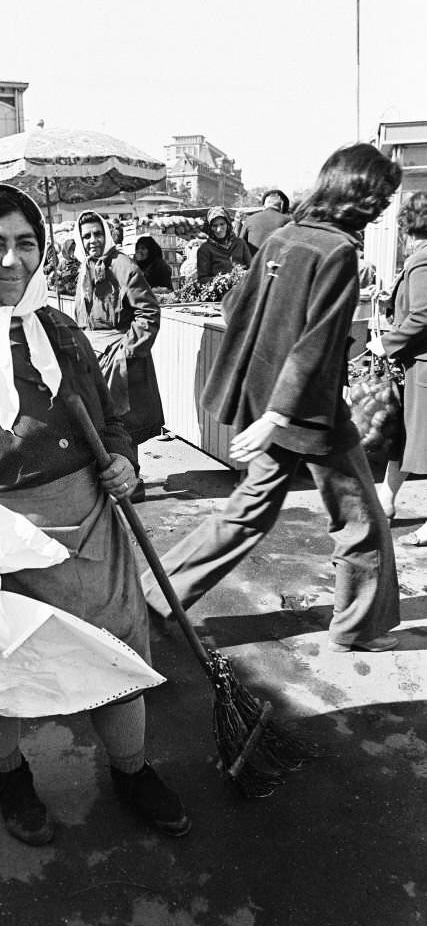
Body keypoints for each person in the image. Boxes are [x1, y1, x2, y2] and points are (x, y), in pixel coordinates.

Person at [0, 183, 189, 845]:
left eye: (25, 243)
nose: (10, 261)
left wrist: (123, 458)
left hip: (85, 526)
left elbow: (113, 418)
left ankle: (130, 772)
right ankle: (12, 777)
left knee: (115, 660)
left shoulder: (60, 331)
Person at [142, 143, 402, 654]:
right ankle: (358, 628)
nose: (385, 205)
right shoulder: (338, 252)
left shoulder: (284, 236)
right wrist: (280, 415)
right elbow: (317, 344)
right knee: (361, 520)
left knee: (246, 516)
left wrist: (265, 408)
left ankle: (150, 601)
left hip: (269, 404)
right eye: (382, 195)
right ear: (362, 195)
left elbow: (235, 305)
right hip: (310, 413)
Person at [73, 211, 164, 503]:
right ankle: (117, 481)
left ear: (107, 235)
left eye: (97, 234)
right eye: (86, 236)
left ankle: (132, 484)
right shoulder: (85, 268)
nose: (92, 241)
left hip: (121, 356)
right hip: (94, 356)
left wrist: (127, 351)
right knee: (102, 421)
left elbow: (148, 312)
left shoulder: (122, 265)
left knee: (125, 422)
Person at [372, 192, 427, 546]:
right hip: (417, 366)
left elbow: (424, 313)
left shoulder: (423, 261)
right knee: (406, 439)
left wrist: (386, 342)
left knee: (422, 443)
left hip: (424, 367)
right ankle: (385, 502)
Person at [196, 207, 251, 286]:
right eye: (215, 226)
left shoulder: (240, 243)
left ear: (228, 224)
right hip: (220, 294)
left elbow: (251, 268)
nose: (219, 229)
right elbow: (202, 279)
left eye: (222, 224)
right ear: (210, 228)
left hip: (241, 291)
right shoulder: (205, 249)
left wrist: (243, 276)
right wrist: (223, 280)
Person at [240, 190, 292, 255]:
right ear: (281, 206)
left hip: (253, 263)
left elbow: (240, 245)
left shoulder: (250, 219)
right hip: (277, 263)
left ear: (264, 205)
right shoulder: (289, 221)